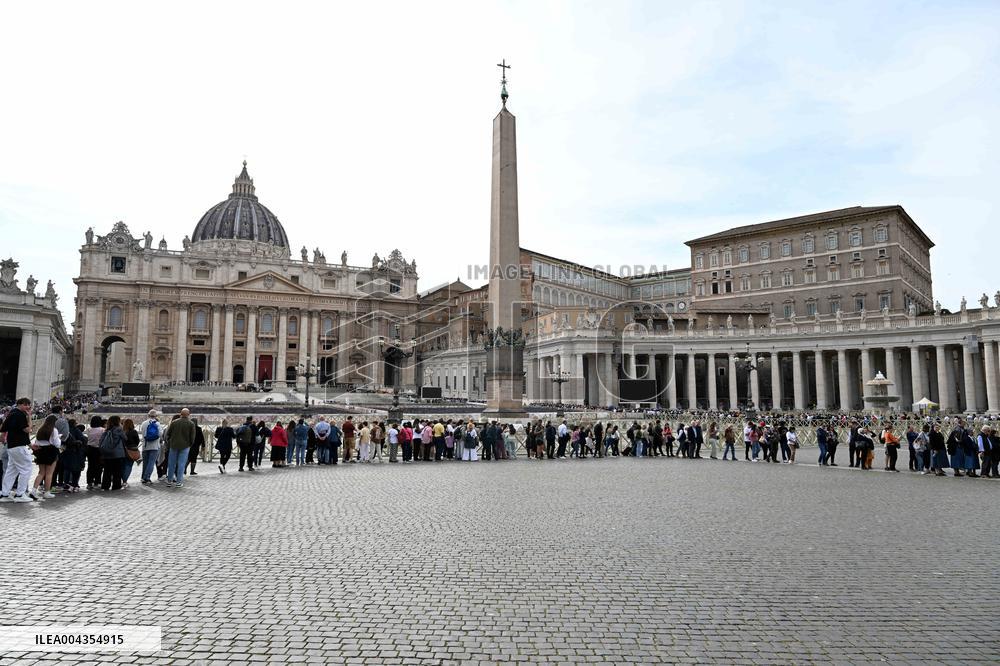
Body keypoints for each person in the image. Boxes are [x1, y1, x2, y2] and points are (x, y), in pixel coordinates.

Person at [0, 398, 35, 502]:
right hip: (19, 446)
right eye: (25, 405)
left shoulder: (11, 413)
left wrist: (30, 445)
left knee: (11, 470)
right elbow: (27, 430)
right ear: (19, 404)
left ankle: (5, 494)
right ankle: (20, 494)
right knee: (27, 469)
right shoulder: (20, 415)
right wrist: (29, 417)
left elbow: (3, 428)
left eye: (29, 405)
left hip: (11, 445)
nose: (28, 407)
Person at [31, 414, 62, 498]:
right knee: (49, 473)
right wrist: (59, 438)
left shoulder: (40, 429)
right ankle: (47, 492)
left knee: (41, 473)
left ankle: (33, 491)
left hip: (41, 451)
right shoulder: (54, 430)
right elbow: (57, 444)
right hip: (51, 451)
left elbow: (37, 442)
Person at [165, 408, 196, 488]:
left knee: (171, 464)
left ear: (180, 414)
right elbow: (192, 437)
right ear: (188, 414)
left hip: (174, 445)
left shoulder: (174, 422)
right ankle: (179, 482)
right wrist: (190, 444)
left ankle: (169, 481)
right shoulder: (191, 424)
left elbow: (168, 434)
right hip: (185, 446)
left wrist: (170, 442)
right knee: (181, 465)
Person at [99, 415, 127, 491]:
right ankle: (116, 486)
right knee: (117, 470)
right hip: (117, 453)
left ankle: (105, 486)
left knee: (107, 470)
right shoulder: (119, 429)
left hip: (107, 453)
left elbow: (101, 441)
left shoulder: (107, 430)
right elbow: (125, 438)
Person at [138, 410, 162, 485]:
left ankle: (143, 478)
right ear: (156, 416)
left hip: (145, 445)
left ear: (148, 415)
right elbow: (160, 434)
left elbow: (142, 433)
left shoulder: (144, 423)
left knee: (145, 463)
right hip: (155, 446)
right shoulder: (157, 423)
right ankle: (147, 477)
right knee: (151, 463)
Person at [85, 415, 106, 489]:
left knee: (90, 466)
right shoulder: (102, 430)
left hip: (90, 449)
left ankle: (89, 482)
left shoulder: (89, 429)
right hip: (99, 449)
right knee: (99, 466)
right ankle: (97, 482)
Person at [121, 418, 141, 487]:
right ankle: (124, 481)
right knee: (128, 466)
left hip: (123, 450)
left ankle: (122, 479)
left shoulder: (123, 431)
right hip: (132, 450)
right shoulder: (134, 431)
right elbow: (137, 441)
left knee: (123, 466)